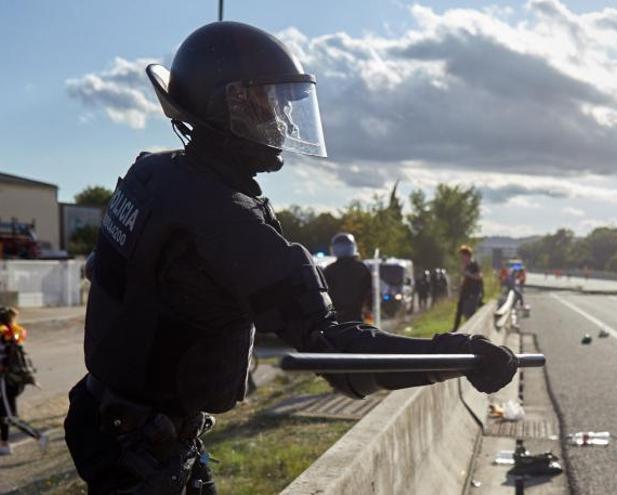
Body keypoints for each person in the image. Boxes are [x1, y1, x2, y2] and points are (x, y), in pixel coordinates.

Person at [63, 22, 517, 494]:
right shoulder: (227, 221)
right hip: (146, 455)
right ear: (229, 106)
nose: (281, 121)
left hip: (110, 423)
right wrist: (458, 357)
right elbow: (337, 355)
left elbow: (107, 272)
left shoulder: (152, 175)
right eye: (269, 104)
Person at [323, 233, 372, 323]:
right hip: (356, 317)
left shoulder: (329, 270)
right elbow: (369, 292)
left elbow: (324, 296)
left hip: (336, 320)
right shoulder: (362, 268)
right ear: (353, 247)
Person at [0, 307, 27, 455]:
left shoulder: (4, 335)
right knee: (8, 411)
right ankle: (5, 440)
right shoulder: (15, 334)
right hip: (14, 380)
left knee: (5, 413)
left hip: (4, 380)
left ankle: (5, 443)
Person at [453, 245, 483, 331]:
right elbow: (464, 278)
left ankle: (472, 331)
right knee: (459, 311)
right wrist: (459, 286)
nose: (461, 258)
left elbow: (479, 276)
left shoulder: (474, 264)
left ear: (467, 255)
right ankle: (455, 331)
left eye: (462, 256)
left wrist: (467, 273)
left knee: (469, 313)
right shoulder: (464, 265)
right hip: (465, 292)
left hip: (472, 293)